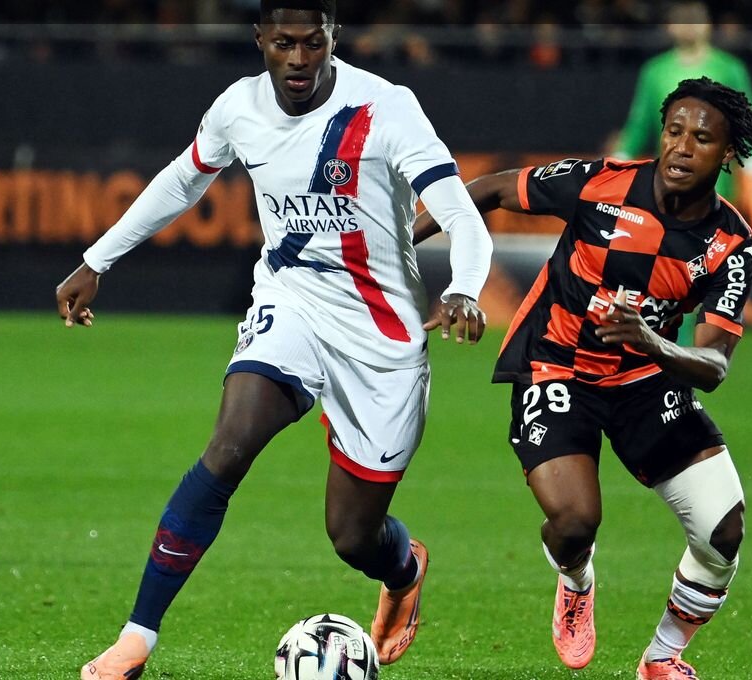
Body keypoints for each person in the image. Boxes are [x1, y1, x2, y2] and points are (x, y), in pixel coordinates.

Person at [55, 2, 492, 677]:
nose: (298, 59)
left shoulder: (386, 108)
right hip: (291, 304)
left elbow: (460, 211)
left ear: (332, 38)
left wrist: (464, 286)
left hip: (381, 337)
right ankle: (136, 639)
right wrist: (97, 259)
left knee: (352, 535)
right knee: (227, 448)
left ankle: (403, 570)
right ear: (260, 39)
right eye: (283, 43)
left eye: (312, 43)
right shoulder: (239, 107)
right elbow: (183, 179)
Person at [415, 77, 752, 680]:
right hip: (556, 364)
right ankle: (576, 581)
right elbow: (491, 189)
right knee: (575, 522)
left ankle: (662, 658)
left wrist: (651, 342)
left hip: (647, 381)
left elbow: (714, 365)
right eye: (674, 131)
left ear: (727, 153)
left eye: (702, 139)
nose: (682, 148)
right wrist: (396, 241)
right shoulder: (600, 183)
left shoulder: (729, 243)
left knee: (723, 531)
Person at [614, 1, 752, 230]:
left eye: (695, 19)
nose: (689, 25)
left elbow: (748, 125)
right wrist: (615, 167)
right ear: (670, 26)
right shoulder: (654, 71)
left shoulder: (730, 69)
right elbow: (638, 126)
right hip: (669, 181)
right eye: (683, 19)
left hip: (718, 184)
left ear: (707, 24)